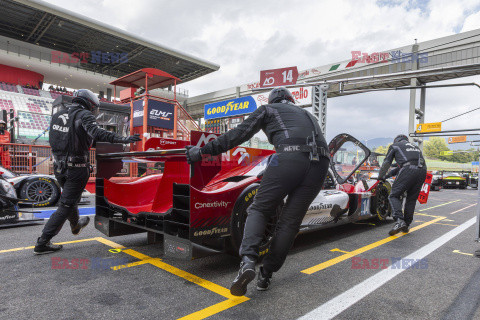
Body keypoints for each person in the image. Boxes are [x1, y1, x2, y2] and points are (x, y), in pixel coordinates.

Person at [185, 87, 330, 296]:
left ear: (273, 100)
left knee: (259, 209)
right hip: (321, 164)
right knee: (290, 222)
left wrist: (202, 151)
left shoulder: (268, 109)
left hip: (289, 156)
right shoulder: (309, 115)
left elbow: (238, 135)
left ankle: (248, 262)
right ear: (290, 100)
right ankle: (266, 275)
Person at [34, 89, 141, 254]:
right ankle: (43, 241)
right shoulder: (84, 115)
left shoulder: (58, 115)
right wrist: (123, 139)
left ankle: (75, 225)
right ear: (90, 104)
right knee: (66, 204)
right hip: (76, 169)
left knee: (71, 200)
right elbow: (97, 133)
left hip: (58, 167)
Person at [378, 134, 426, 236]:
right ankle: (406, 224)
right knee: (411, 199)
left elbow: (386, 163)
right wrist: (387, 176)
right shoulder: (415, 147)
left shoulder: (395, 146)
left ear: (396, 140)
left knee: (393, 195)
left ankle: (399, 221)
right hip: (422, 171)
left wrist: (381, 176)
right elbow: (404, 165)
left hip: (408, 170)